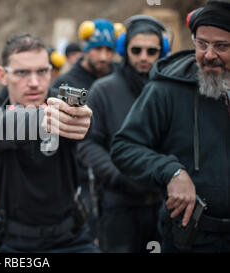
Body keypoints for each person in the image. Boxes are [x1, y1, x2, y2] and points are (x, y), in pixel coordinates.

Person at [110, 1, 230, 252]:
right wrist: (171, 171)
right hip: (190, 241)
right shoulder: (166, 89)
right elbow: (124, 147)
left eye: (222, 46)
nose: (209, 55)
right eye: (201, 44)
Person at [0, 33, 99, 253]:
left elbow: (87, 125)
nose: (34, 82)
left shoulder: (64, 105)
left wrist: (86, 120)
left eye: (42, 71)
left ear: (51, 72)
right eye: (22, 72)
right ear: (3, 75)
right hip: (15, 242)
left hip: (71, 237)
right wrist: (45, 119)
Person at [77, 15, 170, 252]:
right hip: (118, 207)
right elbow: (88, 144)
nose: (143, 57)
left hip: (164, 207)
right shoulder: (103, 90)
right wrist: (120, 177)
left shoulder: (170, 91)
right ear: (124, 49)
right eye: (136, 50)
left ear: (163, 52)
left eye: (151, 51)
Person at [51, 18, 119, 241]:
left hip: (117, 170)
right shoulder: (66, 83)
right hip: (81, 175)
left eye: (108, 50)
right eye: (97, 49)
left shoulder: (119, 76)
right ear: (85, 49)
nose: (103, 56)